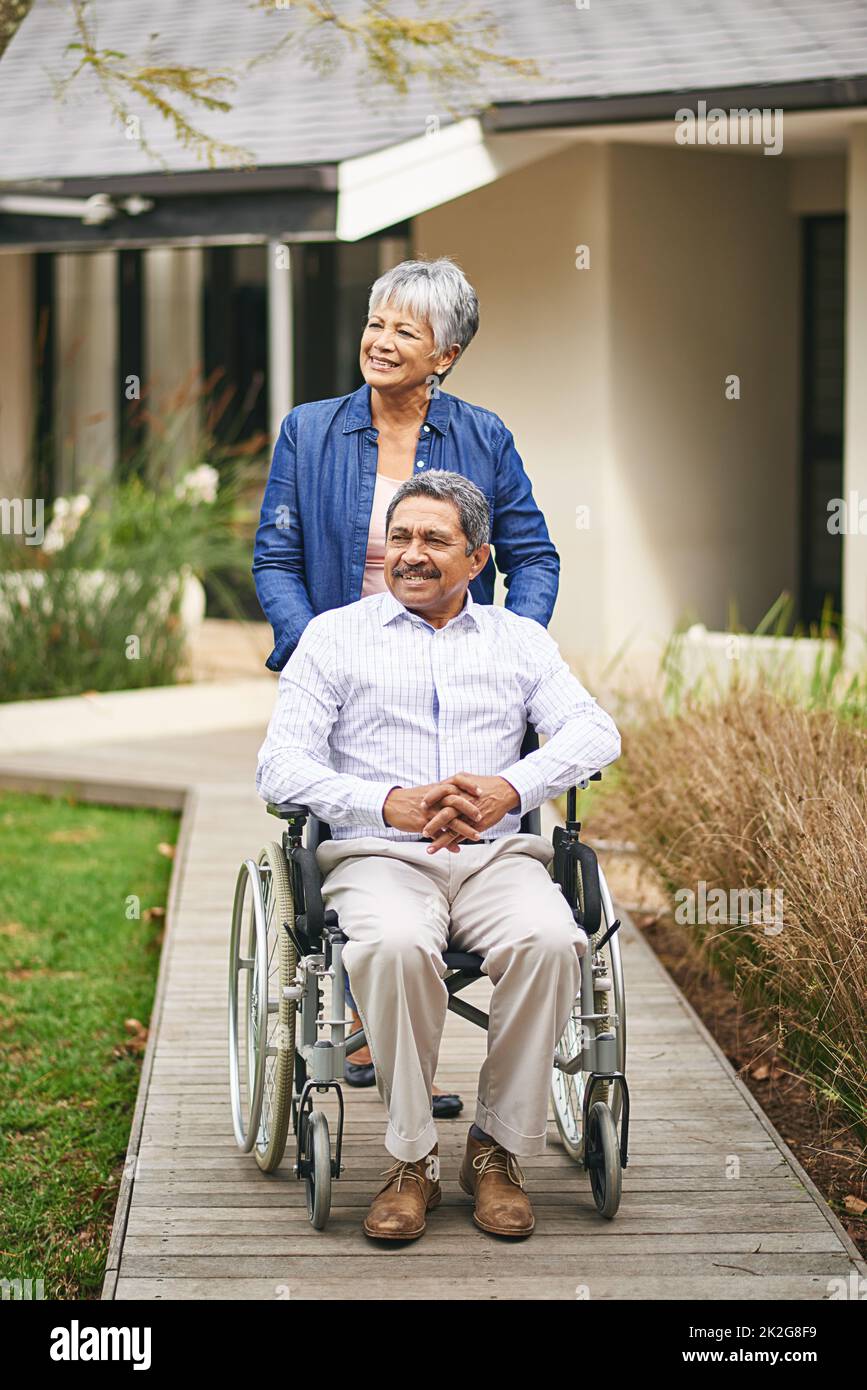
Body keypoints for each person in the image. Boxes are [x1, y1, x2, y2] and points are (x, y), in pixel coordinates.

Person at [256, 471, 621, 1241]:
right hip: (379, 857)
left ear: (478, 557)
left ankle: (493, 1150)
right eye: (399, 537)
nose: (411, 554)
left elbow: (596, 733)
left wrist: (507, 787)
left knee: (554, 940)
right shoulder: (333, 637)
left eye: (433, 540)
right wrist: (383, 800)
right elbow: (279, 766)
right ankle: (411, 1158)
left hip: (496, 858)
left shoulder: (517, 639)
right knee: (390, 946)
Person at [252, 256, 560, 1115]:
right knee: (345, 820)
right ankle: (374, 1028)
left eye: (405, 331)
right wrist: (311, 642)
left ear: (445, 355)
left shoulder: (483, 436)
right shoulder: (309, 431)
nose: (380, 342)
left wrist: (511, 647)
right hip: (344, 665)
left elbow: (531, 554)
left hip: (455, 659)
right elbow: (275, 557)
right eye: (375, 323)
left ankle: (422, 1039)